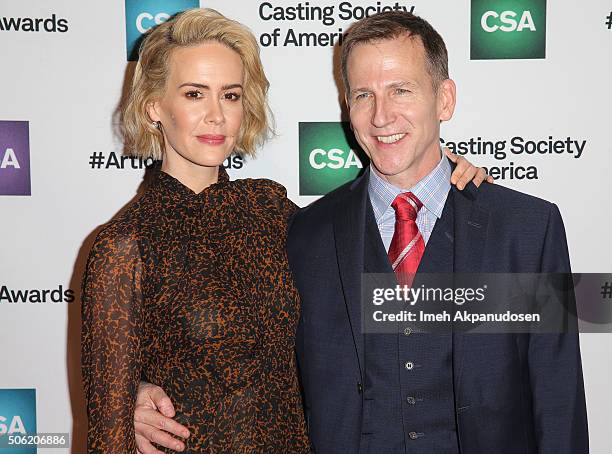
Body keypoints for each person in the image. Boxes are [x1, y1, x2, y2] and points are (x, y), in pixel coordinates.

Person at [134, 10, 589, 454]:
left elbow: (559, 398)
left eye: (401, 90)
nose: (382, 116)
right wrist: (134, 394)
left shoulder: (526, 229)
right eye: (363, 95)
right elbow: (242, 344)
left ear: (444, 99)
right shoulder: (302, 232)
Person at [81, 8, 489, 454]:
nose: (217, 116)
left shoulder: (271, 211)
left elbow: (369, 253)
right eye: (195, 94)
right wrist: (129, 400)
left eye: (231, 95)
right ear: (154, 105)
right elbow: (108, 436)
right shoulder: (125, 245)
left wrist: (444, 178)